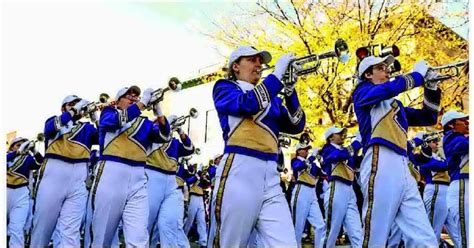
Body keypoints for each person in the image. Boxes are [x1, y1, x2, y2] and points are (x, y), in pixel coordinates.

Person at [208, 45, 305, 247]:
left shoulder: (272, 97)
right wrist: (277, 76)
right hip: (239, 170)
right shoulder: (225, 87)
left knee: (286, 243)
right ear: (236, 66)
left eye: (260, 61)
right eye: (252, 60)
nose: (259, 65)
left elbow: (297, 125)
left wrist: (290, 91)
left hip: (271, 177)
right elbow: (248, 104)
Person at [352, 55, 440, 247]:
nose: (388, 71)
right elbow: (388, 89)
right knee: (375, 235)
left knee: (424, 238)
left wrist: (431, 88)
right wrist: (417, 76)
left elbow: (428, 117)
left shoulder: (395, 105)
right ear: (368, 74)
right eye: (381, 68)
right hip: (379, 160)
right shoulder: (361, 92)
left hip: (403, 166)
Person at [88, 85, 170, 247]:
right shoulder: (108, 113)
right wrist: (142, 104)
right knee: (102, 235)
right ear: (118, 102)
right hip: (111, 173)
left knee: (139, 236)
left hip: (138, 178)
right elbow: (116, 121)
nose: (133, 98)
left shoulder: (144, 123)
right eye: (128, 96)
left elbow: (164, 136)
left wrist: (158, 111)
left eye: (136, 97)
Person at [31, 95, 98, 247]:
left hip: (79, 177)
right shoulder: (54, 120)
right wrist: (74, 111)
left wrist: (95, 118)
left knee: (71, 230)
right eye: (72, 104)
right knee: (43, 227)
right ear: (63, 108)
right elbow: (49, 129)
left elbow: (105, 140)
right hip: (54, 172)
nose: (78, 106)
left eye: (78, 103)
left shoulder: (87, 128)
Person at [146, 114, 195, 247]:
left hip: (171, 182)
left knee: (169, 222)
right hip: (152, 175)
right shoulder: (152, 133)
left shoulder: (175, 143)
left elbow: (190, 148)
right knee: (147, 222)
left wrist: (180, 131)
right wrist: (163, 123)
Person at [320, 127, 363, 247]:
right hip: (336, 189)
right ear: (331, 137)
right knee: (331, 232)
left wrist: (364, 141)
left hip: (350, 190)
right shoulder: (327, 149)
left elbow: (358, 161)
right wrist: (356, 143)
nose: (342, 135)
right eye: (338, 133)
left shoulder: (346, 150)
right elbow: (337, 156)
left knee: (357, 232)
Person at [415, 131, 459, 245]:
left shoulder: (440, 155)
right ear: (426, 144)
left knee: (456, 232)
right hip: (435, 189)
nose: (437, 144)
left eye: (437, 141)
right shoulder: (424, 157)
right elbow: (441, 166)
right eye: (434, 141)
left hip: (446, 191)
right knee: (433, 230)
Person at [7, 138, 43, 248]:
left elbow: (41, 163)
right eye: (18, 145)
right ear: (12, 147)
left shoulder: (28, 159)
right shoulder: (6, 156)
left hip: (21, 194)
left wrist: (34, 151)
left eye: (23, 145)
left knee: (16, 229)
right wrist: (16, 153)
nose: (21, 147)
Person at [441, 110, 469, 247]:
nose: (467, 123)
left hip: (466, 186)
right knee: (467, 236)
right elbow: (464, 146)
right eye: (462, 121)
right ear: (451, 125)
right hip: (462, 187)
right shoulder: (451, 138)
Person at [291, 142, 326, 248]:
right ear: (298, 151)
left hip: (312, 192)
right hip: (301, 191)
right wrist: (311, 158)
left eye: (307, 149)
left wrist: (322, 160)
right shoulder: (295, 160)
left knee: (320, 225)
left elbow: (324, 173)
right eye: (304, 149)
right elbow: (298, 167)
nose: (306, 150)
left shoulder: (314, 164)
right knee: (298, 227)